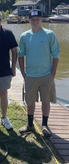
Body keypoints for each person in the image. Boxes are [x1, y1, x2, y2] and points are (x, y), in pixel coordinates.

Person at [18, 9, 60, 137]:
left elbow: (56, 54)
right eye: (32, 19)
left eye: (37, 19)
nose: (35, 21)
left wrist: (53, 72)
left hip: (46, 75)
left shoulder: (49, 34)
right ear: (28, 20)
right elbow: (20, 55)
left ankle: (45, 125)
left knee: (46, 101)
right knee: (30, 101)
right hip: (30, 75)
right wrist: (23, 72)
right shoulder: (24, 36)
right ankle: (30, 125)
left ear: (42, 19)